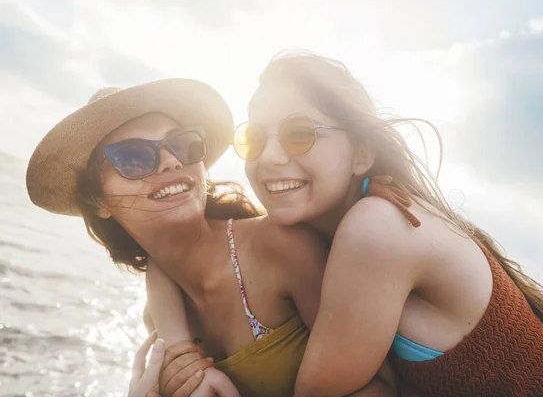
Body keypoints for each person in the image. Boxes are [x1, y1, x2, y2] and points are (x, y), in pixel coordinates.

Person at [230, 51, 543, 396]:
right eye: (255, 138)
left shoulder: (378, 226)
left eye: (299, 133)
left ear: (362, 154)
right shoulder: (358, 223)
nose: (270, 157)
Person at [25, 79, 396, 397]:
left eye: (183, 144)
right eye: (134, 157)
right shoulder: (160, 320)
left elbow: (383, 386)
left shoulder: (279, 247)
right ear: (98, 200)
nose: (171, 162)